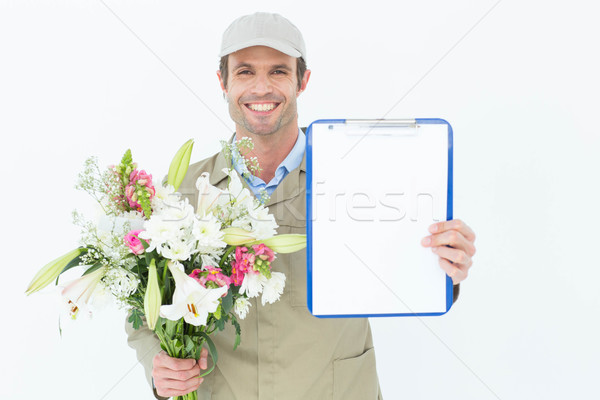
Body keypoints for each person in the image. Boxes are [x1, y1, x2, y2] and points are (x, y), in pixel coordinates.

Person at [125, 12, 477, 400]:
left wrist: (445, 268)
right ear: (222, 82)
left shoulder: (362, 171)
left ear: (302, 80)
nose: (261, 88)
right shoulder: (182, 190)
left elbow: (404, 266)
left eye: (278, 71)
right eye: (244, 72)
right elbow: (145, 311)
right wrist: (161, 364)